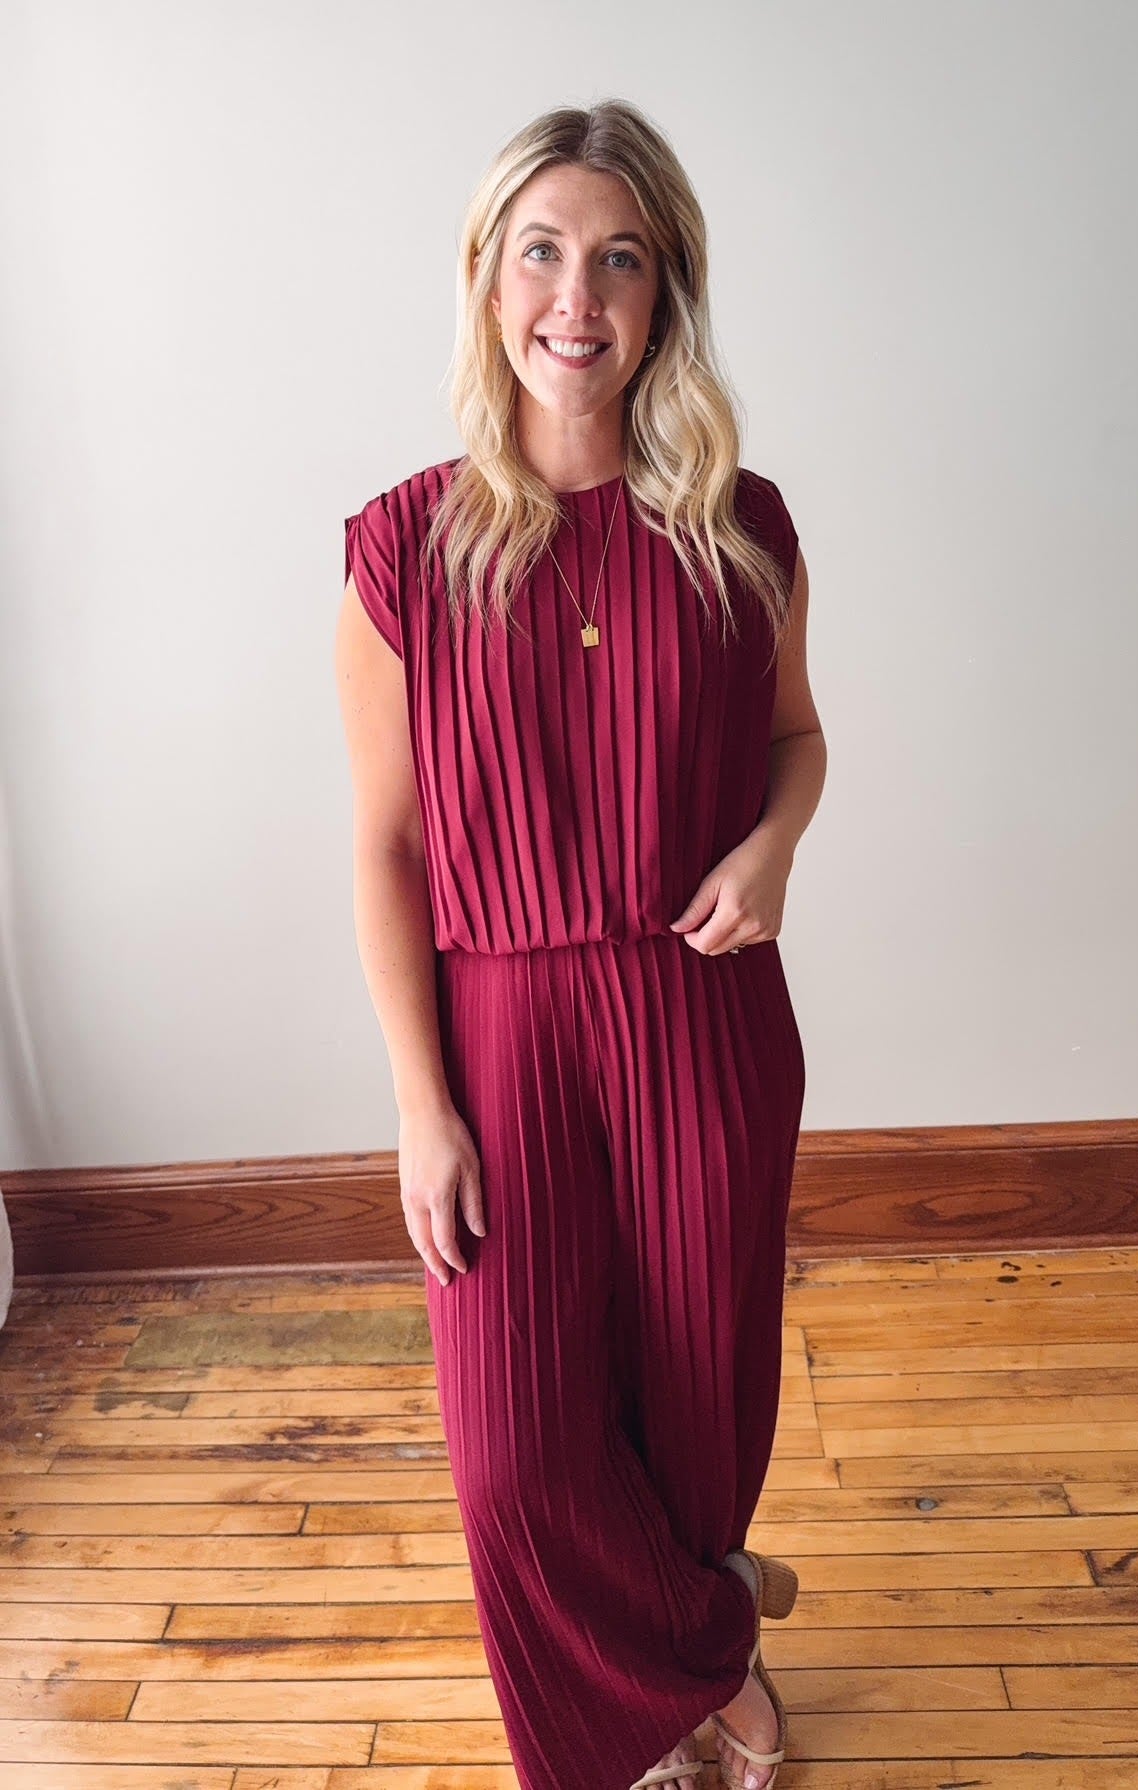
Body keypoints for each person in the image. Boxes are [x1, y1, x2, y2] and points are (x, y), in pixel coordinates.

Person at [336, 97, 826, 1790]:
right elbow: (388, 849)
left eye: (619, 257)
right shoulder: (403, 551)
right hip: (500, 1031)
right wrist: (421, 1102)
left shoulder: (741, 523)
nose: (578, 296)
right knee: (515, 1455)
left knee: (698, 1421)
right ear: (487, 282)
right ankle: (713, 1653)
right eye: (542, 252)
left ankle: (681, 1684)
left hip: (703, 1016)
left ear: (665, 290)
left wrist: (773, 848)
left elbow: (796, 740)